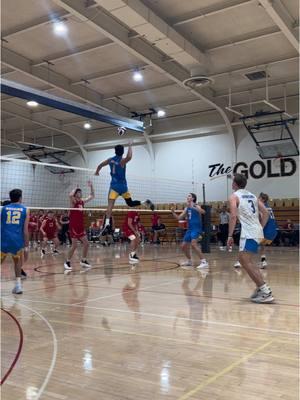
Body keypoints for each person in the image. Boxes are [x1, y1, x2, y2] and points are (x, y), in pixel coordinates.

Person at [227, 174, 274, 303]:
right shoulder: (252, 195)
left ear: (234, 184)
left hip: (248, 232)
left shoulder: (234, 196)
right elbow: (265, 213)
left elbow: (233, 217)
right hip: (256, 231)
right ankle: (261, 288)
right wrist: (260, 226)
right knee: (246, 261)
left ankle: (265, 291)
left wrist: (230, 235)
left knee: (244, 260)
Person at [95, 141, 154, 232]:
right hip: (123, 187)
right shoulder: (122, 161)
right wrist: (130, 145)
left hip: (114, 187)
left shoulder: (110, 160)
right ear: (122, 152)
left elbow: (100, 165)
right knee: (130, 203)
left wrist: (97, 172)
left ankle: (107, 223)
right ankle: (144, 202)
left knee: (110, 206)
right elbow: (129, 157)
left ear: (115, 152)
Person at [1, 189, 29, 294]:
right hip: (17, 241)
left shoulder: (3, 209)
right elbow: (25, 231)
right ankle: (18, 286)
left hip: (4, 240)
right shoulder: (25, 210)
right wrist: (26, 247)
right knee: (17, 262)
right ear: (20, 198)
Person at [171, 193, 209, 270]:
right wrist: (172, 212)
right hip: (190, 229)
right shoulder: (186, 208)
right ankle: (189, 261)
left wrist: (193, 207)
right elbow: (179, 218)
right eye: (187, 196)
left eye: (189, 196)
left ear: (193, 198)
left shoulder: (196, 205)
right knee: (183, 246)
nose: (187, 197)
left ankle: (204, 262)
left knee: (193, 244)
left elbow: (203, 212)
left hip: (196, 228)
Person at [64, 181, 94, 271]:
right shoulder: (73, 201)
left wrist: (91, 186)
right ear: (75, 194)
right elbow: (70, 195)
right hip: (73, 226)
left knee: (87, 243)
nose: (80, 193)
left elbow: (92, 196)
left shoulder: (82, 201)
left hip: (80, 226)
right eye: (78, 192)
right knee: (74, 245)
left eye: (80, 192)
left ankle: (83, 260)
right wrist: (75, 188)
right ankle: (67, 261)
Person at [258, 193, 278, 268]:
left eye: (259, 198)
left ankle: (240, 261)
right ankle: (263, 261)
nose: (257, 199)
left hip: (267, 230)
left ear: (262, 199)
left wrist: (260, 228)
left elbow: (264, 220)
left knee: (250, 244)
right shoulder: (269, 207)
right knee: (262, 245)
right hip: (273, 231)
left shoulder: (262, 208)